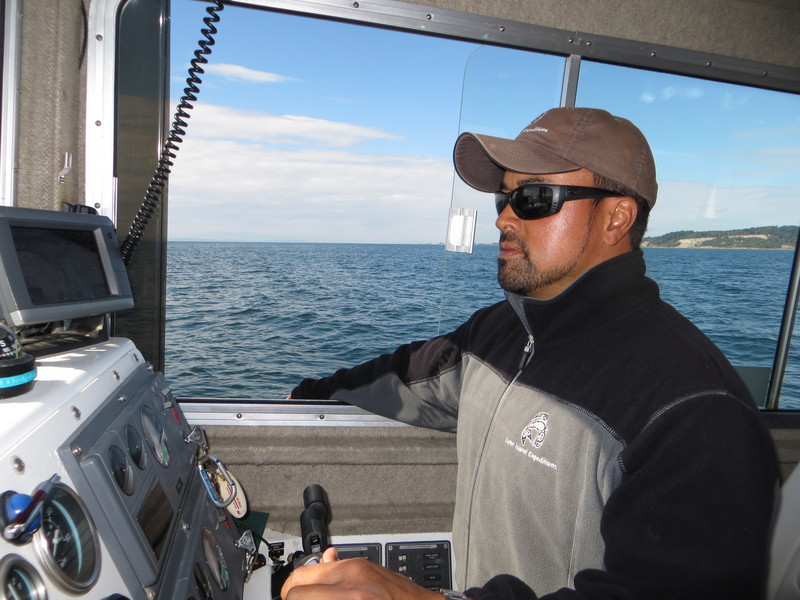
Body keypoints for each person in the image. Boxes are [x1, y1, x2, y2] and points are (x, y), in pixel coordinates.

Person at [282, 107, 779, 600]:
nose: (502, 217)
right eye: (505, 196)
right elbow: (405, 378)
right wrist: (301, 396)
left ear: (616, 218)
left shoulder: (697, 410)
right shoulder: (497, 332)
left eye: (534, 197)